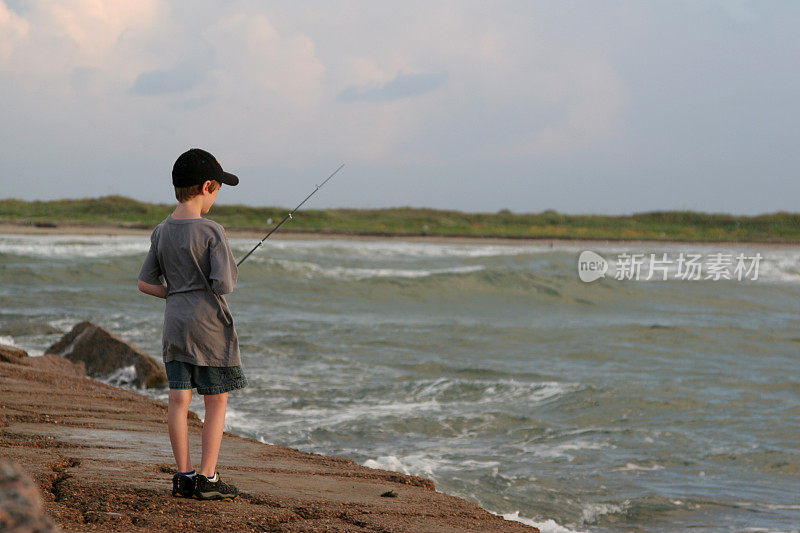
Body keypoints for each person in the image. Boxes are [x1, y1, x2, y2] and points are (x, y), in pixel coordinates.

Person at [137, 148, 246, 500]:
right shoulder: (212, 230)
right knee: (215, 399)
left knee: (178, 399)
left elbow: (145, 282)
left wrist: (175, 292)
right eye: (217, 190)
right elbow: (224, 284)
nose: (215, 197)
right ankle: (207, 477)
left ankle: (183, 477)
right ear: (207, 186)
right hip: (209, 329)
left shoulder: (161, 230)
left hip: (175, 326)